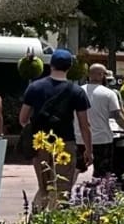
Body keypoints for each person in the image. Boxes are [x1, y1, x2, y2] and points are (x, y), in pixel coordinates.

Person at [19, 49, 93, 212]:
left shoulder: (35, 87)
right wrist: (88, 149)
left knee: (43, 187)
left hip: (40, 142)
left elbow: (23, 119)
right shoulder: (77, 91)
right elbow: (84, 124)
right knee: (61, 188)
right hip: (65, 142)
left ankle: (35, 223)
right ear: (69, 67)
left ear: (50, 65)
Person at [83, 62, 124, 179]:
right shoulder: (109, 93)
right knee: (102, 175)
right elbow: (117, 116)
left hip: (80, 139)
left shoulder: (78, 91)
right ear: (101, 75)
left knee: (78, 172)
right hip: (102, 139)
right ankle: (100, 195)